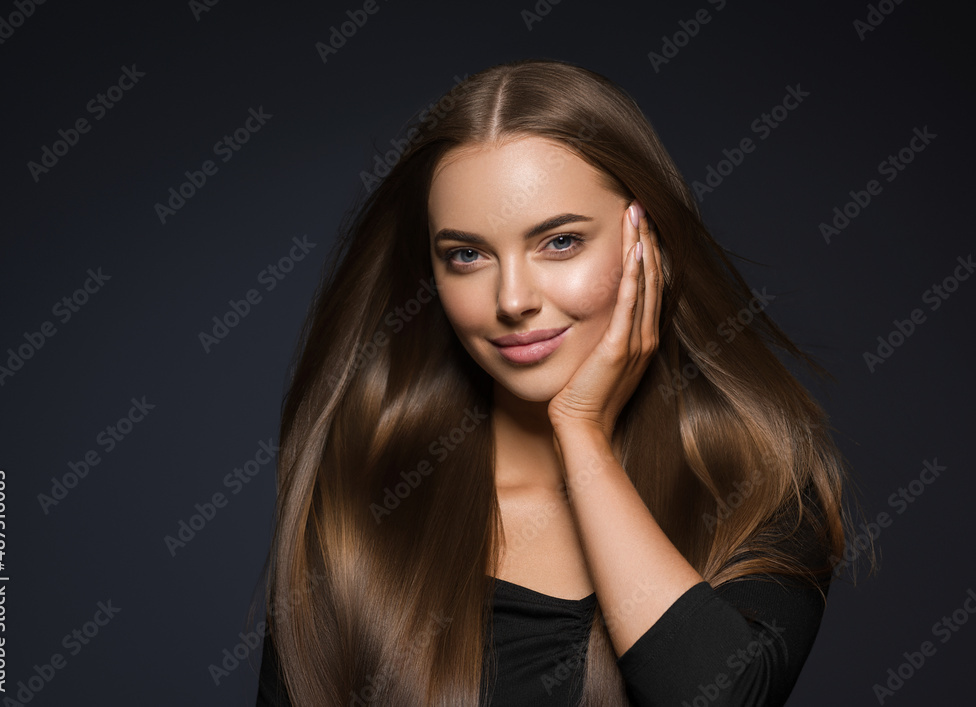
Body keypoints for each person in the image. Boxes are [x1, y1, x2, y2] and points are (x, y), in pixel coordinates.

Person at [252, 58, 874, 706]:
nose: (513, 298)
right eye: (467, 255)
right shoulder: (370, 498)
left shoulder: (752, 487)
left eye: (559, 242)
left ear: (647, 241)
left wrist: (581, 434)